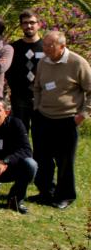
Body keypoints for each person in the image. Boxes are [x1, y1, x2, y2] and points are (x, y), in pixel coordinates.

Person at [32, 30, 91, 210]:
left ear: (62, 46)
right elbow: (37, 87)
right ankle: (45, 192)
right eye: (45, 45)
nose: (46, 49)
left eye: (50, 46)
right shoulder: (43, 61)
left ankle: (65, 195)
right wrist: (37, 107)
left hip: (67, 119)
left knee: (65, 161)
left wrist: (83, 114)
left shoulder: (77, 62)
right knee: (42, 158)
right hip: (43, 118)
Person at [6, 9, 44, 132]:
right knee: (20, 133)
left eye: (32, 22)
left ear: (39, 24)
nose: (29, 26)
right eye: (25, 23)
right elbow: (8, 72)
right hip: (19, 98)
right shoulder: (13, 48)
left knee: (41, 134)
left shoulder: (46, 47)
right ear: (21, 25)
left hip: (42, 98)